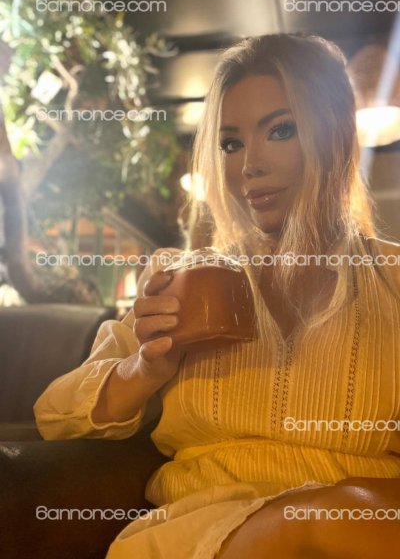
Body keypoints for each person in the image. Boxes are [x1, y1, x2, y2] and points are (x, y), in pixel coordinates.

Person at [34, 33, 400, 558]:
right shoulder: (181, 278)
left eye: (280, 129)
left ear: (338, 135)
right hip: (203, 534)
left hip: (360, 530)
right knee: (313, 520)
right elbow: (54, 416)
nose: (249, 165)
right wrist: (146, 367)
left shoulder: (392, 278)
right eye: (230, 144)